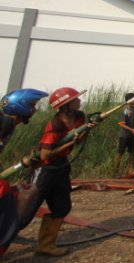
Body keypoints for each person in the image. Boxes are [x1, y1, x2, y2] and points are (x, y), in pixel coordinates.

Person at [25, 87, 93, 257]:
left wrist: (86, 130)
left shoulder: (78, 117)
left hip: (61, 167)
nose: (79, 101)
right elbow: (45, 154)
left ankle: (45, 245)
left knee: (62, 207)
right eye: (75, 99)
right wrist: (68, 144)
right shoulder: (55, 124)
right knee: (26, 210)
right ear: (65, 105)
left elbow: (78, 140)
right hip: (45, 169)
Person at [0, 88, 47, 257]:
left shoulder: (8, 125)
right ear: (20, 107)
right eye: (32, 106)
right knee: (11, 194)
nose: (34, 110)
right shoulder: (4, 124)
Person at [113, 93, 134, 177]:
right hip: (124, 135)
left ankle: (131, 170)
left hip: (131, 136)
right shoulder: (124, 110)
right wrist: (132, 130)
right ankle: (116, 172)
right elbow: (121, 124)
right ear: (130, 100)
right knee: (120, 152)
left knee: (132, 153)